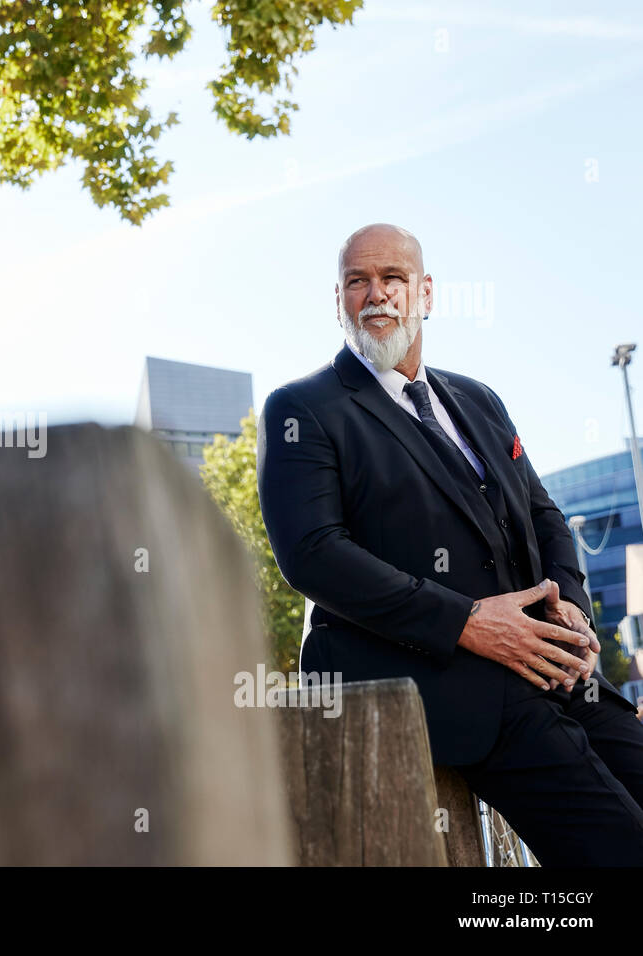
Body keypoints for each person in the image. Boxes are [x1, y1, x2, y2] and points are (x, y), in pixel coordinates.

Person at [257, 223, 643, 866]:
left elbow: (544, 512)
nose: (376, 295)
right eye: (358, 281)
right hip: (437, 679)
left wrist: (570, 600)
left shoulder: (478, 399)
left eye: (393, 279)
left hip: (551, 667)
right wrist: (468, 623)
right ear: (339, 300)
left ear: (426, 294)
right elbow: (313, 553)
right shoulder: (302, 407)